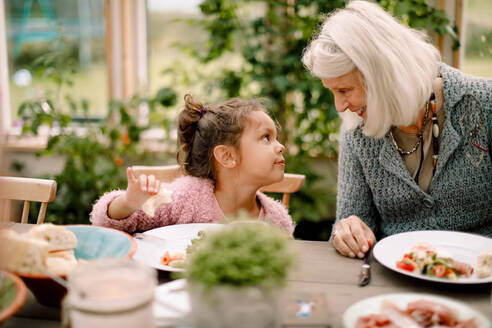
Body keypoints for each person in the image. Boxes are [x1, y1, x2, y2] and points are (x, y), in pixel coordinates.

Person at [302, 0, 491, 259]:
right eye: (332, 91)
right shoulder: (356, 131)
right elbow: (352, 221)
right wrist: (347, 231)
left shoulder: (484, 105)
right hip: (396, 279)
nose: (340, 106)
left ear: (381, 76)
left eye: (344, 90)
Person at [90, 94, 294, 235]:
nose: (281, 146)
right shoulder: (183, 200)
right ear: (227, 156)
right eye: (266, 138)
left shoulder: (277, 221)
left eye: (276, 138)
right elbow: (102, 220)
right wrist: (128, 203)